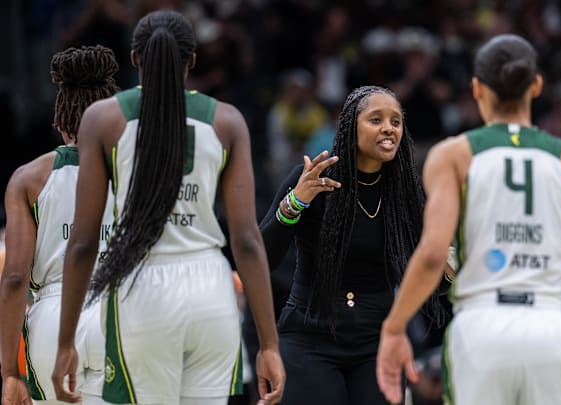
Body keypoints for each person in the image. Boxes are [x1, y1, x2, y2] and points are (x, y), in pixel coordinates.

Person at [376, 34, 561, 405]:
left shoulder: (452, 156)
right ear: (538, 85)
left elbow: (434, 254)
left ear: (477, 88)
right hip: (552, 325)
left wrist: (394, 327)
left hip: (482, 325)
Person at [50, 10, 284, 405]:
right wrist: (269, 345)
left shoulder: (103, 119)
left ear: (135, 58)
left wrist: (65, 342)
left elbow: (84, 243)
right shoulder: (227, 121)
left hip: (141, 286)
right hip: (212, 289)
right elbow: (246, 242)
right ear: (193, 60)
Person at [260, 85, 439, 405]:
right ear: (349, 126)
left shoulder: (406, 192)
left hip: (375, 340)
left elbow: (430, 265)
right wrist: (295, 203)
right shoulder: (313, 177)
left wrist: (453, 263)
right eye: (376, 119)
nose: (389, 128)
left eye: (396, 121)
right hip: (309, 336)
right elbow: (263, 259)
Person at [0, 45, 119, 405]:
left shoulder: (27, 179)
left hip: (52, 315)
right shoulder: (137, 171)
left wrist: (9, 371)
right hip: (120, 312)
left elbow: (15, 279)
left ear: (60, 120)